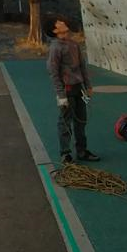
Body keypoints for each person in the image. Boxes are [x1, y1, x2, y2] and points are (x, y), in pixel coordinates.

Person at [47, 17, 100, 165]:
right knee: (65, 122)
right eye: (59, 23)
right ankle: (65, 154)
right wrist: (61, 95)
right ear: (54, 30)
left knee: (81, 120)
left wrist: (88, 86)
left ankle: (82, 151)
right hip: (67, 90)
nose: (63, 22)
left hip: (79, 88)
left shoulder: (74, 44)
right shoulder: (55, 48)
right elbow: (53, 72)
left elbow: (82, 66)